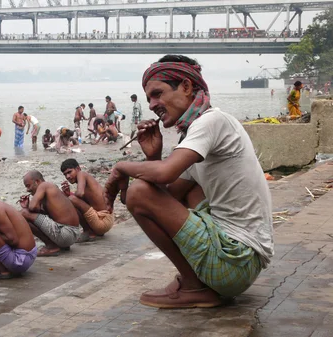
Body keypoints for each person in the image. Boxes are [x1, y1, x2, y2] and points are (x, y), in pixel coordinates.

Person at [104, 55, 273, 309]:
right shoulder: (196, 134)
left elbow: (162, 178)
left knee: (138, 193)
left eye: (157, 94)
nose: (152, 105)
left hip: (235, 261)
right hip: (240, 265)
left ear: (185, 86)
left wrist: (120, 168)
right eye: (149, 98)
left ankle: (194, 287)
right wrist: (153, 156)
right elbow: (167, 200)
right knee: (179, 190)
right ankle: (197, 283)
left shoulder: (212, 121)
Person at [20, 170, 80, 256]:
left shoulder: (44, 185)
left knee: (23, 213)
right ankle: (59, 245)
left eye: (28, 186)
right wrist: (27, 207)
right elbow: (44, 214)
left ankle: (52, 246)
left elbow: (32, 207)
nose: (27, 190)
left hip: (66, 233)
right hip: (72, 234)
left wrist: (26, 208)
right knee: (28, 214)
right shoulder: (51, 187)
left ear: (37, 181)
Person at [60, 159, 114, 242]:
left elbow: (80, 194)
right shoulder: (84, 180)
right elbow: (83, 200)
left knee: (71, 199)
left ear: (78, 169)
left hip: (103, 221)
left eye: (69, 172)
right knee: (70, 198)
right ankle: (92, 231)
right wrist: (68, 193)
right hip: (105, 220)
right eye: (65, 174)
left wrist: (69, 196)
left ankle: (89, 232)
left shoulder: (81, 174)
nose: (67, 177)